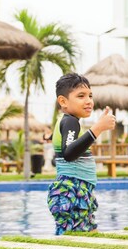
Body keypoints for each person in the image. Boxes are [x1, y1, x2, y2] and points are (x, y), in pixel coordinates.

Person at [47, 73, 117, 235]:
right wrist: (98, 128)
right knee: (73, 236)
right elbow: (69, 153)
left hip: (80, 188)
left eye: (90, 96)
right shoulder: (70, 122)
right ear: (63, 101)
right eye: (81, 96)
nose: (88, 101)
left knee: (89, 233)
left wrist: (97, 126)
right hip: (72, 188)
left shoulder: (70, 122)